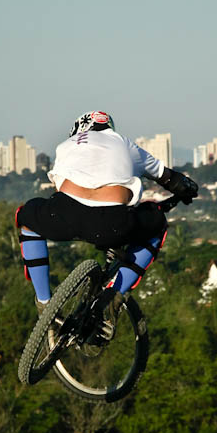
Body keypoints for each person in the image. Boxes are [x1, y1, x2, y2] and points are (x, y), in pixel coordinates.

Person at [16, 111, 198, 323]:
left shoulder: (65, 146)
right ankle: (114, 297)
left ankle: (44, 303)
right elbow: (169, 178)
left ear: (77, 130)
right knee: (156, 223)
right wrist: (187, 189)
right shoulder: (124, 143)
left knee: (27, 218)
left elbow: (60, 185)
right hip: (111, 223)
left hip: (63, 214)